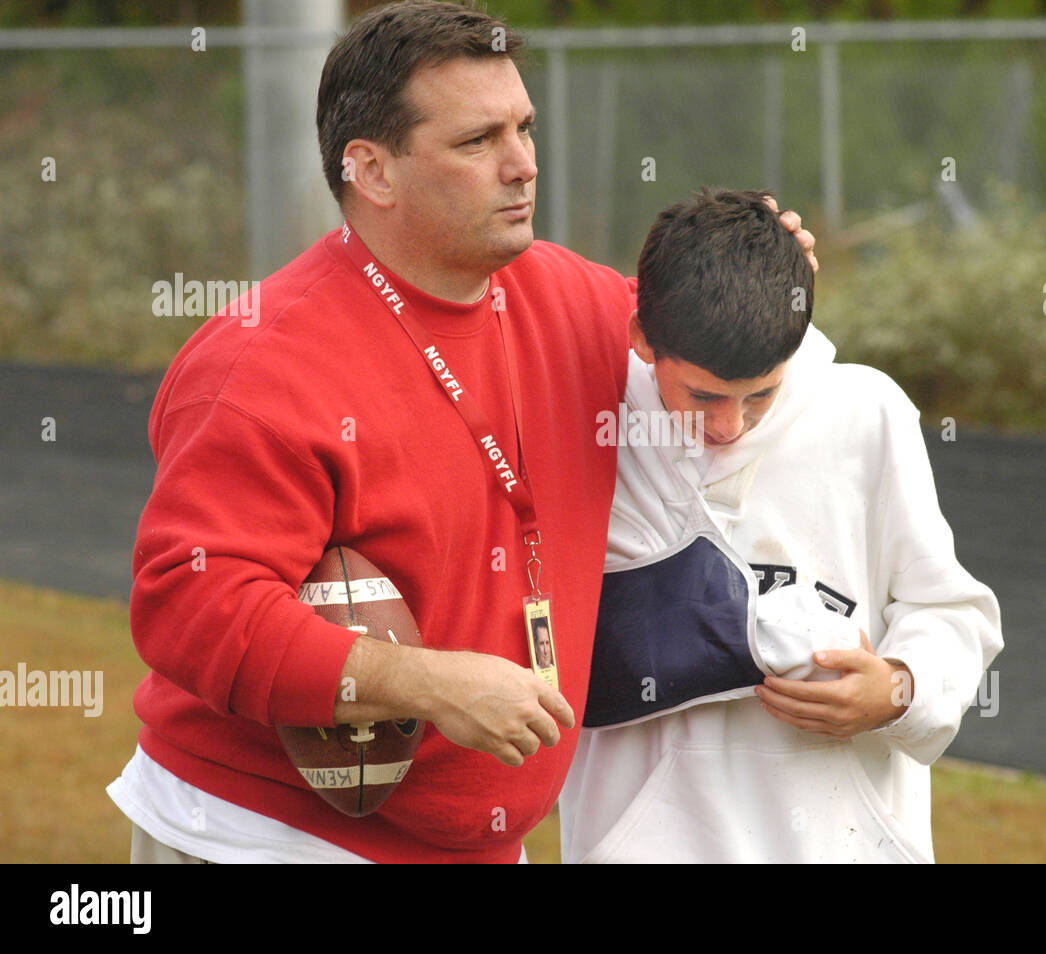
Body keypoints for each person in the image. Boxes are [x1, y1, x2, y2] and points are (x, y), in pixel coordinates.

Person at [107, 3, 815, 864]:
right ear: (371, 170)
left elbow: (706, 341)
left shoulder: (571, 299)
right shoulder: (263, 364)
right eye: (477, 141)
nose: (524, 166)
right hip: (259, 838)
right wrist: (425, 683)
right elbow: (192, 607)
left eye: (524, 127)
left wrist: (765, 274)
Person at [558, 189, 1003, 863]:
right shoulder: (583, 409)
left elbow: (952, 609)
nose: (729, 425)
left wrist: (900, 687)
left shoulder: (867, 413)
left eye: (760, 393)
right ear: (642, 336)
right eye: (703, 395)